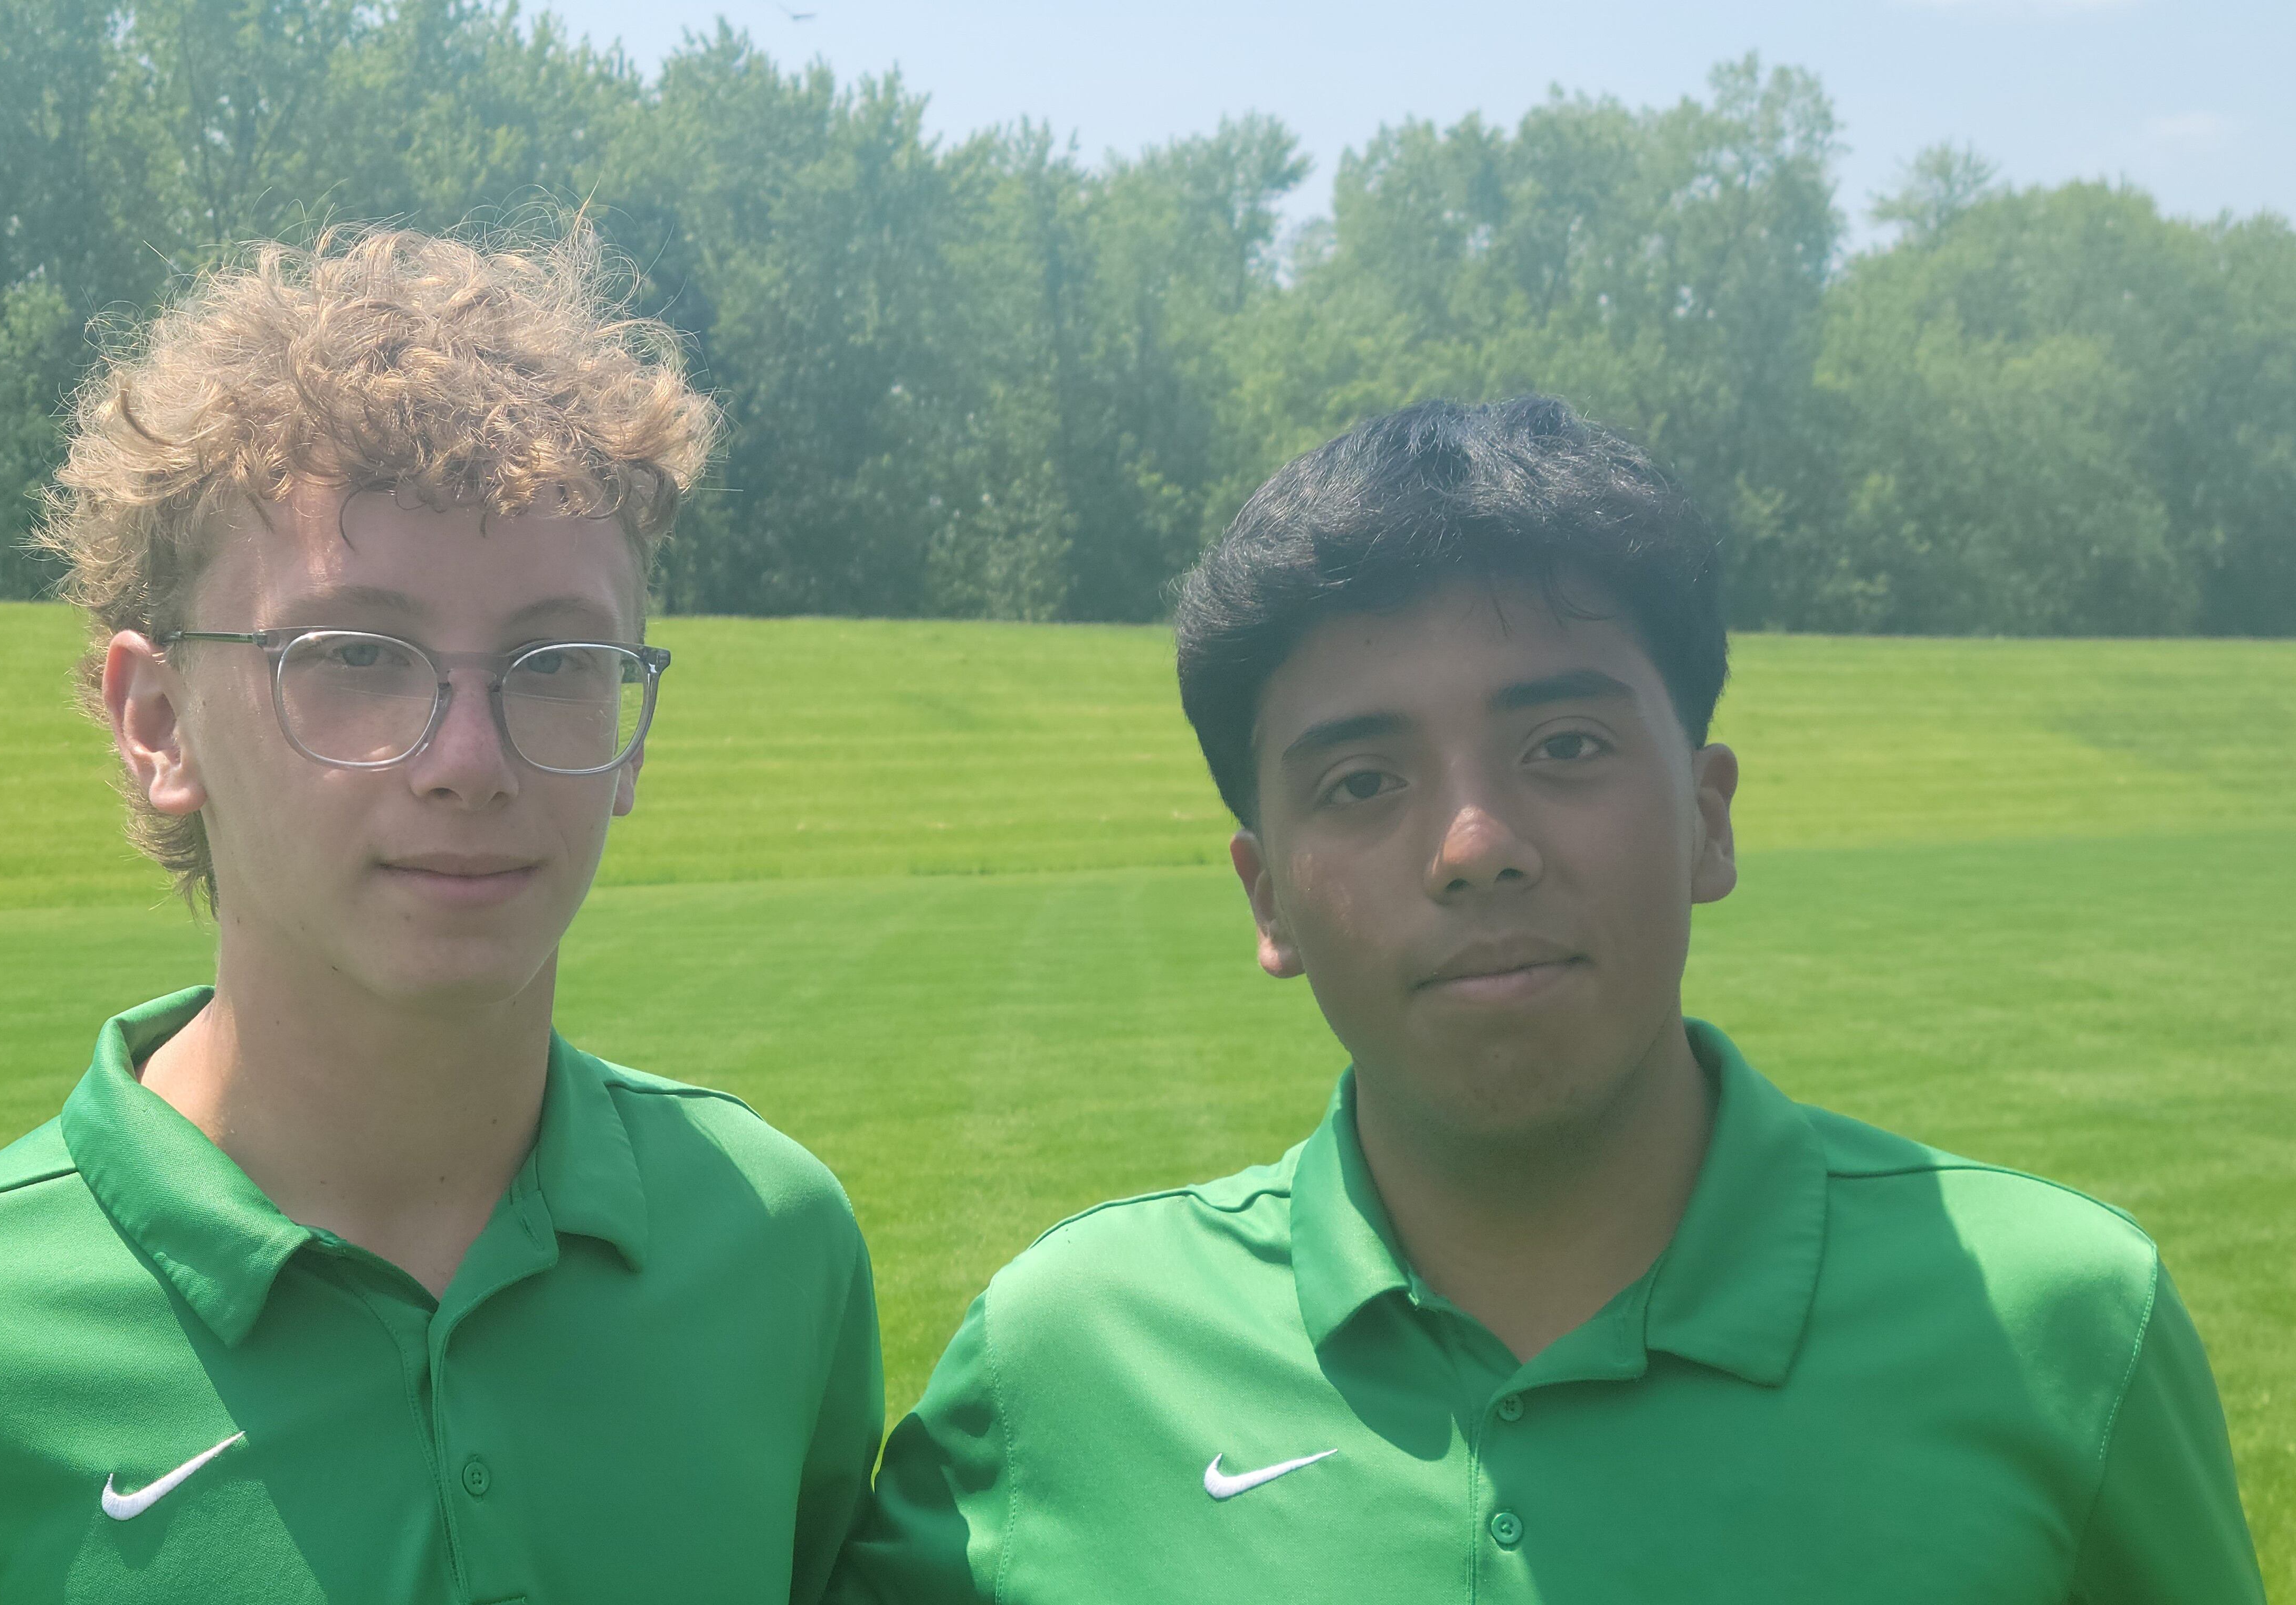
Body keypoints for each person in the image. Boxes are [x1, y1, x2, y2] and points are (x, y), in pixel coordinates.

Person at [837, 398, 2263, 1603]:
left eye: (1567, 745)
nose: (1475, 845)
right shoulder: (1065, 1364)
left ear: (1706, 820)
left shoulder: (2064, 1327)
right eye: (1361, 782)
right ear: (1268, 900)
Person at [0, 228, 881, 1603]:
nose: (469, 760)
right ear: (159, 722)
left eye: (556, 662)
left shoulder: (773, 1249)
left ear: (631, 728)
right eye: (355, 653)